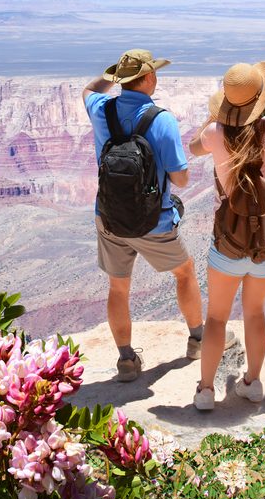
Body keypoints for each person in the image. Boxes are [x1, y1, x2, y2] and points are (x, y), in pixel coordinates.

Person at [83, 49, 219, 382]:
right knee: (184, 272)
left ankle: (127, 360)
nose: (156, 77)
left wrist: (110, 75)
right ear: (147, 78)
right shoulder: (161, 119)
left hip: (110, 216)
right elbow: (181, 178)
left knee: (118, 288)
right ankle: (198, 340)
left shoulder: (102, 109)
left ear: (121, 79)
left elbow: (88, 90)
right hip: (154, 221)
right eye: (154, 72)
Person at [189, 61, 265, 411]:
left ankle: (205, 391)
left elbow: (192, 147)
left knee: (216, 318)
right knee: (255, 312)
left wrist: (214, 114)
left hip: (227, 241)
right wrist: (264, 92)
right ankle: (252, 382)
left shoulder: (215, 133)